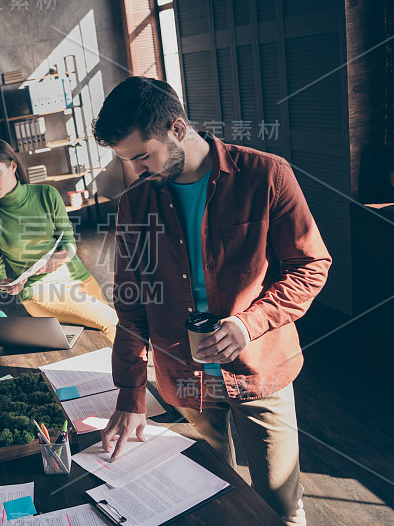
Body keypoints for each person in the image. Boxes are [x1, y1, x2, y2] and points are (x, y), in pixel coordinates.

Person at [94, 77, 331, 526]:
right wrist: (129, 391)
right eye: (127, 161)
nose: (137, 172)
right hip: (182, 377)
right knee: (203, 499)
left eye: (143, 156)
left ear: (177, 129)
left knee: (279, 508)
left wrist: (247, 323)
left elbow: (311, 265)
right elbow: (131, 300)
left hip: (260, 368)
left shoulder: (266, 174)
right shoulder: (136, 202)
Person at [0, 139, 118, 342]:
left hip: (78, 276)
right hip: (39, 290)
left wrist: (61, 255)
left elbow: (68, 239)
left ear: (13, 166)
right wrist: (4, 283)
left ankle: (106, 374)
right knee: (111, 321)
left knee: (104, 335)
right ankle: (128, 375)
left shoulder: (47, 194)